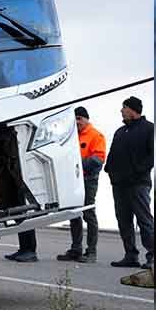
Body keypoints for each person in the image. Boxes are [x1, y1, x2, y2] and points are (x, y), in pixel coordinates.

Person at [104, 96, 155, 269]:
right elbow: (112, 154)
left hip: (139, 183)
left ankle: (153, 256)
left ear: (132, 110)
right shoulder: (120, 131)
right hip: (119, 184)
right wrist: (109, 171)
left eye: (123, 107)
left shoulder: (150, 129)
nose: (121, 111)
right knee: (123, 220)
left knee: (144, 220)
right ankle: (131, 255)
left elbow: (153, 156)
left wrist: (138, 171)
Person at [57, 106, 105, 263]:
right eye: (74, 119)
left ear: (86, 119)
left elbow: (98, 159)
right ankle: (76, 249)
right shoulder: (70, 137)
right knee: (73, 214)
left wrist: (77, 164)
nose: (77, 122)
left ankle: (91, 252)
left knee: (88, 214)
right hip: (72, 180)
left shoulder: (96, 135)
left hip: (88, 180)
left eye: (79, 118)